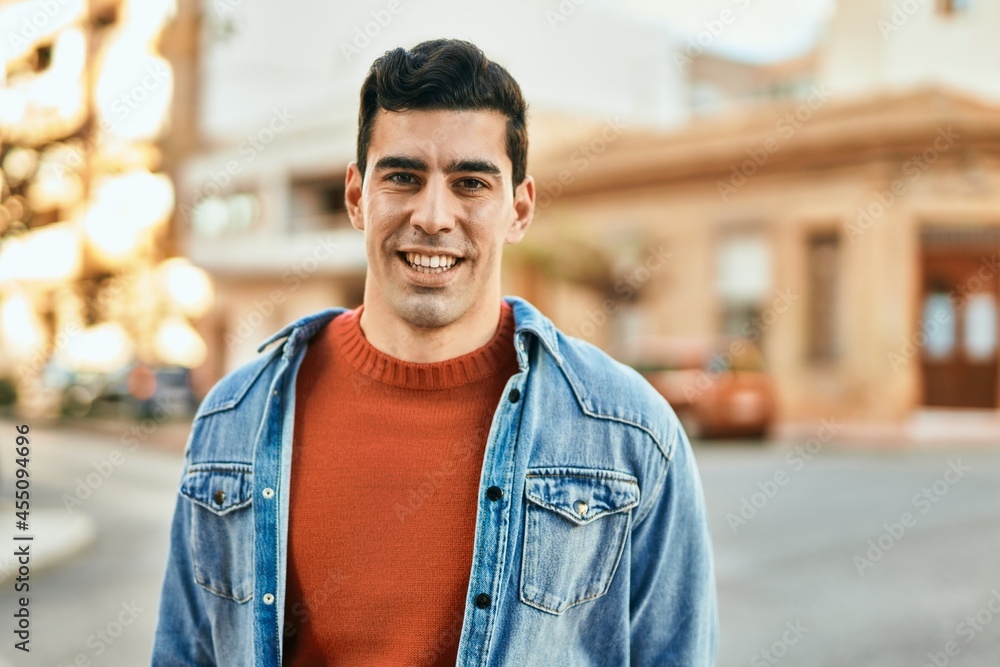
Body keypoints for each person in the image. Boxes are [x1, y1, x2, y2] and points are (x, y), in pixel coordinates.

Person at [152, 38, 717, 666]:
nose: (433, 215)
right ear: (356, 197)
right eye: (402, 176)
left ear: (519, 209)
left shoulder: (630, 433)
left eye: (470, 182)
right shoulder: (236, 416)